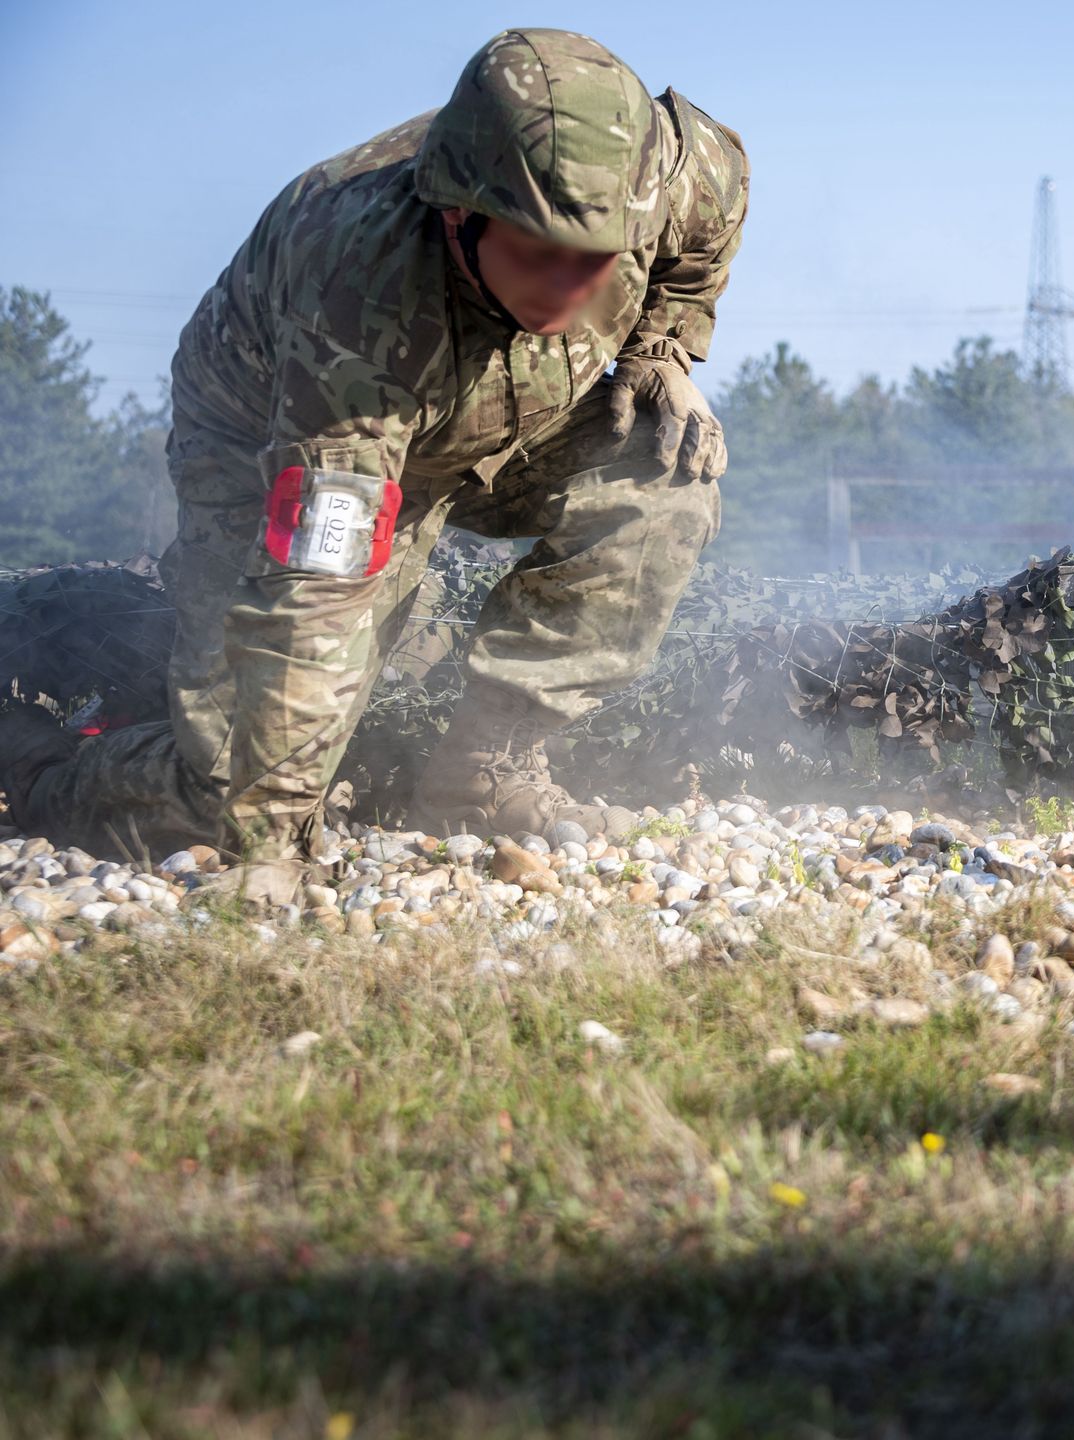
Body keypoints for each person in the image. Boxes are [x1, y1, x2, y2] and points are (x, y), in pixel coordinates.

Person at [0, 29, 749, 901]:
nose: (576, 285)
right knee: (225, 794)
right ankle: (32, 756)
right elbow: (313, 588)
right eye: (542, 253)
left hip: (519, 405)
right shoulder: (356, 304)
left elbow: (715, 198)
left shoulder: (659, 171)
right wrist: (269, 840)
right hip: (282, 438)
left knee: (666, 478)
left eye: (599, 257)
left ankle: (483, 772)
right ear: (461, 213)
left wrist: (661, 347)